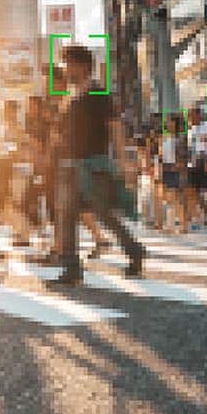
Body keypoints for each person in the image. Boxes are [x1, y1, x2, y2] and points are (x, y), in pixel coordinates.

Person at [56, 46, 143, 284]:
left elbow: (114, 126)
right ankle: (72, 268)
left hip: (94, 165)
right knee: (66, 215)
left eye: (69, 64)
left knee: (104, 214)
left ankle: (134, 250)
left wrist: (123, 161)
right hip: (70, 166)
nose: (66, 69)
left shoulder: (98, 93)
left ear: (83, 66)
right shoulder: (70, 97)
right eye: (65, 64)